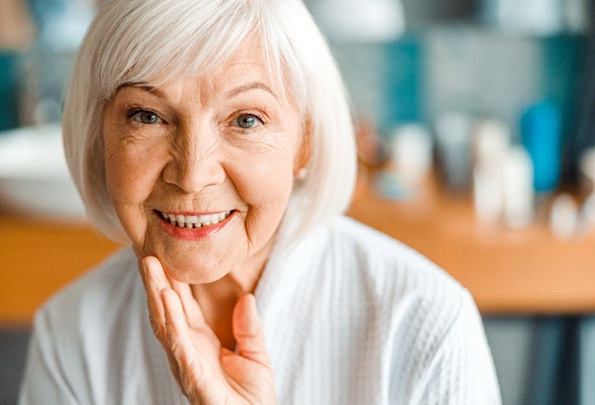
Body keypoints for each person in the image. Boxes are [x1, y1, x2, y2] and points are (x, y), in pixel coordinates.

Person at [19, 0, 502, 403]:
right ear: (99, 135)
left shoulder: (424, 325)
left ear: (305, 143)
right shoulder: (72, 334)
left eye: (245, 120)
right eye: (147, 115)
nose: (192, 176)